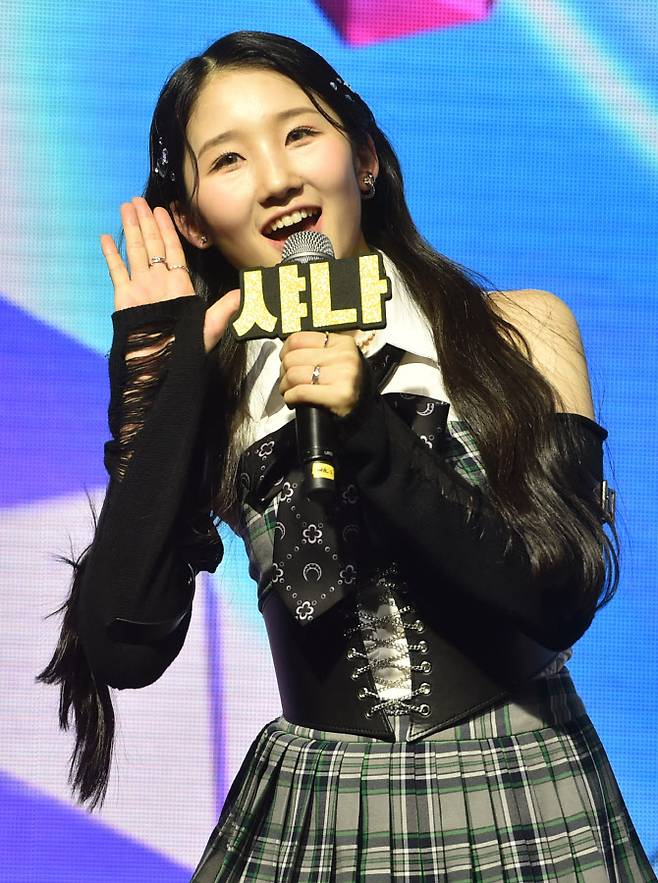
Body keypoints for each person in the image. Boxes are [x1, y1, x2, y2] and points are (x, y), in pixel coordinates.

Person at [39, 30, 656, 882]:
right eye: (228, 159)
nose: (276, 178)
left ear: (363, 159)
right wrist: (156, 384)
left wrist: (366, 426)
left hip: (524, 788)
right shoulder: (217, 391)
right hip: (320, 810)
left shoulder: (523, 330)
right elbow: (123, 649)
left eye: (299, 134)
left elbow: (557, 599)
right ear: (192, 222)